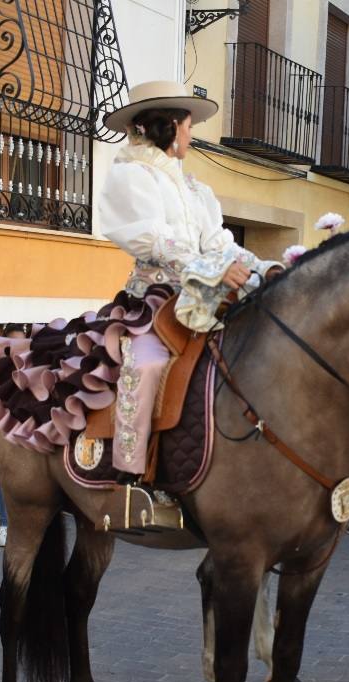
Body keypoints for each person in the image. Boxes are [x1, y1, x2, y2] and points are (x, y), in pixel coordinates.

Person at [93, 80, 278, 472]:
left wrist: (266, 268)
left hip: (204, 299)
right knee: (144, 366)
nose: (192, 136)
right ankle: (127, 475)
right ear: (170, 126)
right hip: (154, 305)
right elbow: (153, 240)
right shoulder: (131, 175)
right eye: (189, 127)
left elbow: (218, 242)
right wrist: (215, 269)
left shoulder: (195, 189)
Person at [0, 324, 27, 548]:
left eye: (22, 343)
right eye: (13, 342)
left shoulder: (32, 366)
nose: (18, 347)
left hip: (28, 430)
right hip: (4, 429)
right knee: (5, 477)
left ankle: (23, 524)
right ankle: (4, 526)